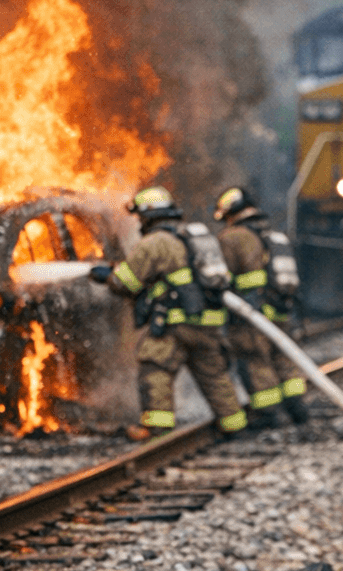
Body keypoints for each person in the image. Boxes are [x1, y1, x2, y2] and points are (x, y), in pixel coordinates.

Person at [94, 186, 247, 436]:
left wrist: (107, 276)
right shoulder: (196, 237)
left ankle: (157, 428)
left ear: (147, 215)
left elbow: (126, 283)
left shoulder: (155, 242)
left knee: (156, 370)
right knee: (215, 377)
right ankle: (235, 427)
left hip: (176, 324)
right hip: (209, 324)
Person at [213, 185, 310, 426]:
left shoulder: (233, 237)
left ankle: (267, 414)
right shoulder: (274, 236)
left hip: (251, 313)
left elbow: (219, 275)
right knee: (283, 358)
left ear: (231, 213)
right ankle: (297, 409)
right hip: (281, 310)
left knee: (255, 360)